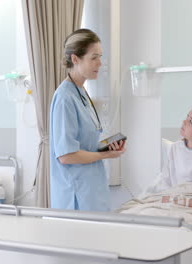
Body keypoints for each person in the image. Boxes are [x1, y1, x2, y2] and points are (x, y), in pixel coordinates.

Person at [50, 28, 126, 211]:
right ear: (75, 59)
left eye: (100, 57)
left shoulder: (81, 92)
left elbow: (83, 143)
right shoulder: (64, 98)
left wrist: (105, 146)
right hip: (75, 197)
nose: (100, 63)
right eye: (94, 57)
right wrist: (106, 154)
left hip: (92, 192)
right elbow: (67, 155)